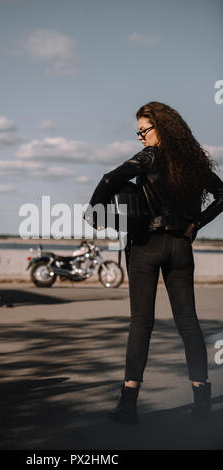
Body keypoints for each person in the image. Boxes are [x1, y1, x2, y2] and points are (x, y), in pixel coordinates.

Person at [87, 101, 223, 424]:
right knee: (188, 323)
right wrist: (196, 226)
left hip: (147, 245)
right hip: (181, 246)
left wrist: (94, 213)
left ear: (160, 128)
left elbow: (110, 178)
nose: (140, 137)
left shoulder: (150, 156)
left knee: (141, 323)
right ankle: (201, 398)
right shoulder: (191, 163)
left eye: (143, 130)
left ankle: (129, 403)